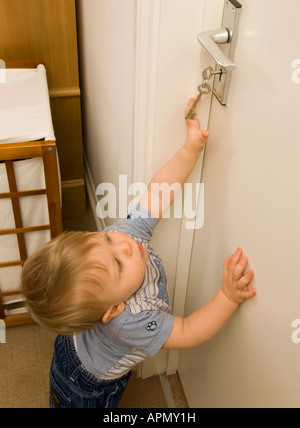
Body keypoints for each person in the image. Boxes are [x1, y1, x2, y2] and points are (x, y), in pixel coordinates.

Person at [21, 99, 256, 408]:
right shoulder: (132, 322)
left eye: (104, 240)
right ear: (114, 309)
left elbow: (157, 193)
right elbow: (186, 331)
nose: (125, 244)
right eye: (118, 264)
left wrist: (189, 150)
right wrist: (227, 297)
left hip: (77, 343)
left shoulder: (121, 236)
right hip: (84, 384)